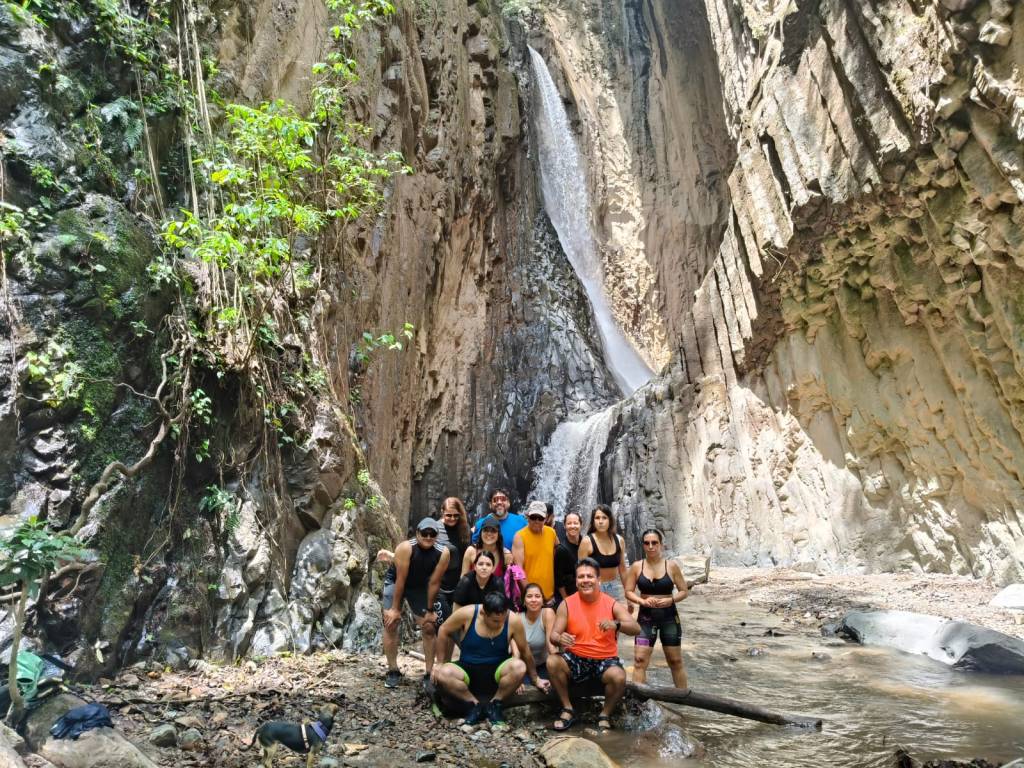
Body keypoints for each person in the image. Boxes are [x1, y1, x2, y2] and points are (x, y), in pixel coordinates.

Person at [546, 558, 640, 731]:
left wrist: (616, 624)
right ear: (576, 580)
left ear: (599, 580)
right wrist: (559, 638)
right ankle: (568, 708)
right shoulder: (566, 604)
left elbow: (636, 628)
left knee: (619, 676)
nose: (585, 580)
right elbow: (553, 635)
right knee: (552, 661)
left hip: (605, 659)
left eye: (590, 576)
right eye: (581, 577)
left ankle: (605, 714)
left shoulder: (611, 603)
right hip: (576, 658)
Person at [432, 592, 550, 726]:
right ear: (484, 613)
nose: (500, 624)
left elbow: (525, 650)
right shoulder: (468, 613)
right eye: (495, 621)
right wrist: (440, 662)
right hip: (468, 669)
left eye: (502, 619)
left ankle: (494, 704)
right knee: (443, 672)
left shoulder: (512, 620)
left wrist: (535, 679)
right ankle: (474, 705)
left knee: (519, 666)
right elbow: (443, 630)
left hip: (497, 671)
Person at [382, 518, 451, 688]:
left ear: (437, 535)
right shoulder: (406, 547)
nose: (428, 537)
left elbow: (434, 583)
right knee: (391, 622)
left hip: (421, 585)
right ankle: (392, 670)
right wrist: (395, 609)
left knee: (429, 626)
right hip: (396, 581)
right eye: (424, 533)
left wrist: (429, 610)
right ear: (417, 533)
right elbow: (401, 579)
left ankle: (429, 673)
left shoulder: (443, 552)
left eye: (432, 533)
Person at [624, 528, 689, 689]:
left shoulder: (672, 566)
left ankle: (684, 700)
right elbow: (628, 591)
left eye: (654, 543)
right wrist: (642, 601)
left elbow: (684, 591)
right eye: (647, 543)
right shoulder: (636, 567)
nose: (651, 546)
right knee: (639, 660)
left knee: (675, 660)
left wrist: (671, 600)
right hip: (646, 618)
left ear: (661, 545)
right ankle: (637, 703)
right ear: (643, 546)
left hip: (669, 617)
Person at [576, 504, 629, 608]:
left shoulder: (619, 540)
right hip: (593, 587)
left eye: (604, 517)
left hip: (614, 587)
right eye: (597, 518)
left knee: (613, 621)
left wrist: (628, 593)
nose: (600, 521)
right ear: (593, 521)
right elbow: (580, 572)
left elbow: (622, 569)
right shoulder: (587, 542)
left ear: (610, 520)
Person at [512, 501, 558, 602]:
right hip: (529, 598)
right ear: (527, 517)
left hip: (550, 597)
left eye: (540, 518)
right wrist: (530, 593)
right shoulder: (519, 536)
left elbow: (557, 557)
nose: (536, 521)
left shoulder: (552, 533)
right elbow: (516, 568)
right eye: (533, 517)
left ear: (546, 518)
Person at [436, 497, 472, 624]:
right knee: (444, 626)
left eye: (456, 515)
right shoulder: (434, 529)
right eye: (448, 515)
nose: (452, 518)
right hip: (440, 588)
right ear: (442, 512)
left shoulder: (465, 528)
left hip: (460, 586)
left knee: (459, 627)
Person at [515, 583, 556, 680]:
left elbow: (551, 647)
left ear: (542, 600)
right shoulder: (517, 617)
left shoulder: (547, 613)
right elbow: (516, 653)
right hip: (523, 667)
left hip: (544, 665)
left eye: (537, 596)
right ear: (524, 601)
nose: (533, 600)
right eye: (529, 596)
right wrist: (516, 676)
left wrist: (556, 669)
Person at [553, 511, 583, 603]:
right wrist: (566, 599)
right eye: (569, 523)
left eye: (575, 523)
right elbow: (559, 579)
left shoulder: (586, 543)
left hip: (587, 590)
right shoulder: (561, 549)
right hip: (571, 594)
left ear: (581, 525)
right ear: (564, 526)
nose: (572, 526)